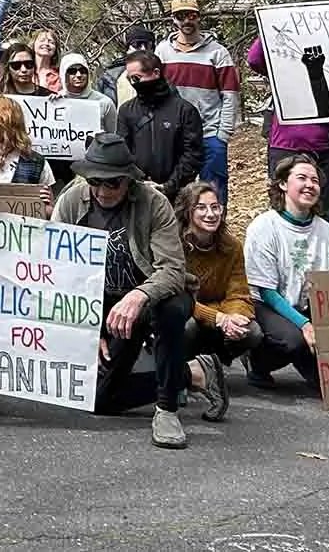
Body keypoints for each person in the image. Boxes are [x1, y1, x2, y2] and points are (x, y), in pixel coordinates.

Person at [51, 134, 216, 448]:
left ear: (129, 180)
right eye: (95, 182)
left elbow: (172, 270)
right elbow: (58, 268)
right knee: (97, 400)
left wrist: (139, 295)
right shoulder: (72, 200)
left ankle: (167, 408)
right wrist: (87, 326)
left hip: (152, 296)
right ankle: (191, 374)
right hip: (102, 305)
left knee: (170, 309)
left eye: (113, 183)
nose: (102, 191)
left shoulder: (154, 203)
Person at [244, 153, 329, 394]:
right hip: (267, 305)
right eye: (302, 178)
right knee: (295, 341)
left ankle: (312, 365)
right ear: (283, 184)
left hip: (308, 305)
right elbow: (266, 291)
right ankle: (257, 361)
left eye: (315, 180)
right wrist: (305, 325)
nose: (310, 185)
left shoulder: (327, 232)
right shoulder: (264, 226)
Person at [175, 180, 260, 418]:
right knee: (187, 325)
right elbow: (180, 297)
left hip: (218, 316)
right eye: (201, 208)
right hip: (187, 314)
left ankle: (213, 366)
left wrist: (235, 317)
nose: (210, 214)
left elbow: (239, 292)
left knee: (253, 331)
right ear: (188, 212)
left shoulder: (231, 246)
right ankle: (185, 373)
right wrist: (218, 317)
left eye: (215, 207)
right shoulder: (175, 244)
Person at [249, 37, 329, 230]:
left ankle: (325, 258)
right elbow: (254, 60)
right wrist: (271, 26)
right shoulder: (280, 66)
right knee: (283, 208)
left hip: (326, 147)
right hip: (286, 145)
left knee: (328, 211)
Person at [155, 0, 241, 198]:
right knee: (176, 190)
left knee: (213, 191)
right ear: (173, 20)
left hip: (210, 133)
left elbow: (230, 95)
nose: (186, 21)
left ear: (199, 17)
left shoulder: (218, 53)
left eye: (191, 15)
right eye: (180, 16)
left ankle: (215, 229)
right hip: (175, 134)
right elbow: (157, 92)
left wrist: (223, 134)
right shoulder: (162, 52)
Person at [117, 51, 205, 199]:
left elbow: (192, 155)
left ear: (156, 73)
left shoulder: (184, 110)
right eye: (130, 79)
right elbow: (123, 152)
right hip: (136, 194)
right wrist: (139, 183)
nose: (134, 84)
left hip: (178, 195)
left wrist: (169, 186)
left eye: (136, 78)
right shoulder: (127, 111)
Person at [58, 53, 118, 135]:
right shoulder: (56, 101)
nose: (78, 75)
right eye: (72, 71)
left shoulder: (105, 103)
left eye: (83, 71)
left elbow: (113, 135)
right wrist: (52, 103)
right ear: (63, 74)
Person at [103, 24, 158, 105]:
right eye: (137, 44)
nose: (143, 49)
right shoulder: (112, 77)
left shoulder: (162, 74)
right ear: (128, 50)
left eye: (147, 45)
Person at [29, 29, 64, 93]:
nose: (46, 44)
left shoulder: (61, 75)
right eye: (42, 40)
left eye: (51, 42)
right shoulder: (24, 71)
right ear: (33, 44)